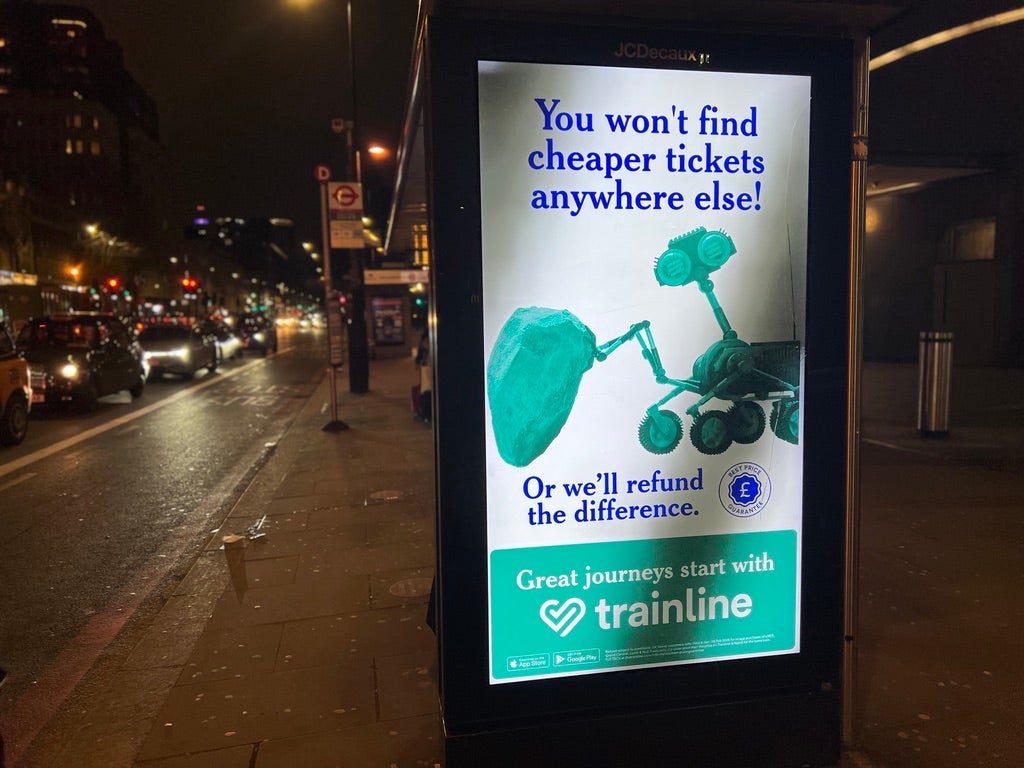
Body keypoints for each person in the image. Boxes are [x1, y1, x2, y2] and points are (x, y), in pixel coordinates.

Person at [415, 328, 432, 423]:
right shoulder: (427, 339)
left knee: (425, 390)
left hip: (426, 368)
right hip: (427, 368)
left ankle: (425, 414)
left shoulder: (425, 338)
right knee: (426, 390)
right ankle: (426, 414)